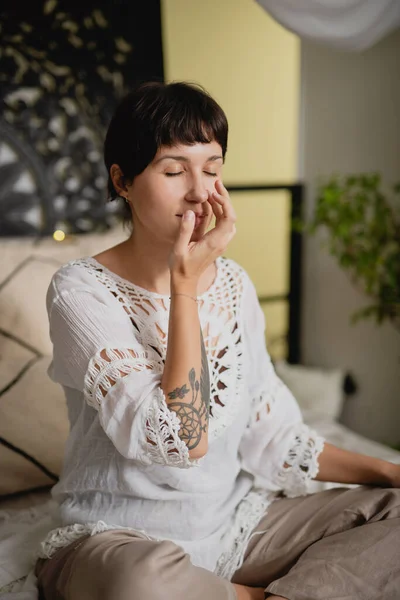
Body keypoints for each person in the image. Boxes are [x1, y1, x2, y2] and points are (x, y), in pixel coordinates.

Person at [35, 81, 400, 600]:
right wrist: (185, 286)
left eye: (211, 168)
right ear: (122, 180)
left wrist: (389, 471)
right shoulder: (80, 290)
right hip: (122, 538)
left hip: (235, 525)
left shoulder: (233, 284)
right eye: (174, 170)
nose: (200, 191)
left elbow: (271, 435)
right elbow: (181, 441)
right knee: (135, 585)